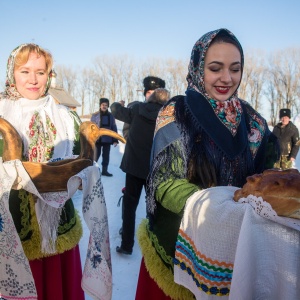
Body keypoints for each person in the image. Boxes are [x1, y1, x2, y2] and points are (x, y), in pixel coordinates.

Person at [135, 28, 280, 299]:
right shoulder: (177, 113)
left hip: (236, 251)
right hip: (182, 247)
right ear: (198, 67)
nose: (227, 78)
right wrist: (218, 206)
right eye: (216, 68)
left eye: (235, 69)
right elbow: (164, 183)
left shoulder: (254, 121)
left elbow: (267, 178)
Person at [0, 43, 85, 300]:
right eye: (25, 71)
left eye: (41, 71)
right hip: (14, 226)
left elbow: (80, 164)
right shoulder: (2, 114)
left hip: (58, 226)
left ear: (49, 75)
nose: (33, 79)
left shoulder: (67, 118)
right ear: (12, 73)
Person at [111, 88, 170, 255]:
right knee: (153, 208)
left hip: (134, 167)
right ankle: (154, 247)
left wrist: (118, 104)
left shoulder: (137, 110)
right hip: (154, 170)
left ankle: (126, 245)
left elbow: (115, 110)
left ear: (151, 97)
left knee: (129, 206)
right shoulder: (166, 117)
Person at [91, 97, 118, 176]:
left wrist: (115, 140)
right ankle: (92, 171)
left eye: (106, 105)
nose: (104, 106)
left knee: (106, 156)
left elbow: (114, 127)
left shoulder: (111, 116)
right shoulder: (95, 115)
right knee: (95, 157)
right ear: (100, 105)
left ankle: (104, 171)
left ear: (108, 106)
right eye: (103, 104)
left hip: (107, 140)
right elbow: (91, 127)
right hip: (97, 140)